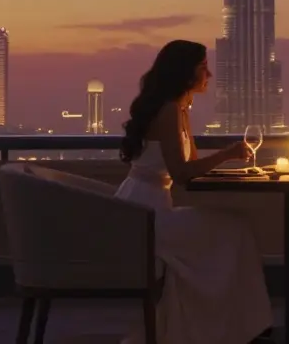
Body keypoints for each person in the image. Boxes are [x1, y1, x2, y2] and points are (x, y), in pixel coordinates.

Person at [115, 39, 273, 344]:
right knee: (234, 231)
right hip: (146, 218)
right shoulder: (169, 111)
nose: (210, 75)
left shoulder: (180, 108)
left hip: (151, 209)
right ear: (186, 73)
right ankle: (240, 327)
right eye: (203, 67)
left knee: (233, 229)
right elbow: (183, 174)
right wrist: (228, 154)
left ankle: (232, 325)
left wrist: (229, 166)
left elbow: (192, 166)